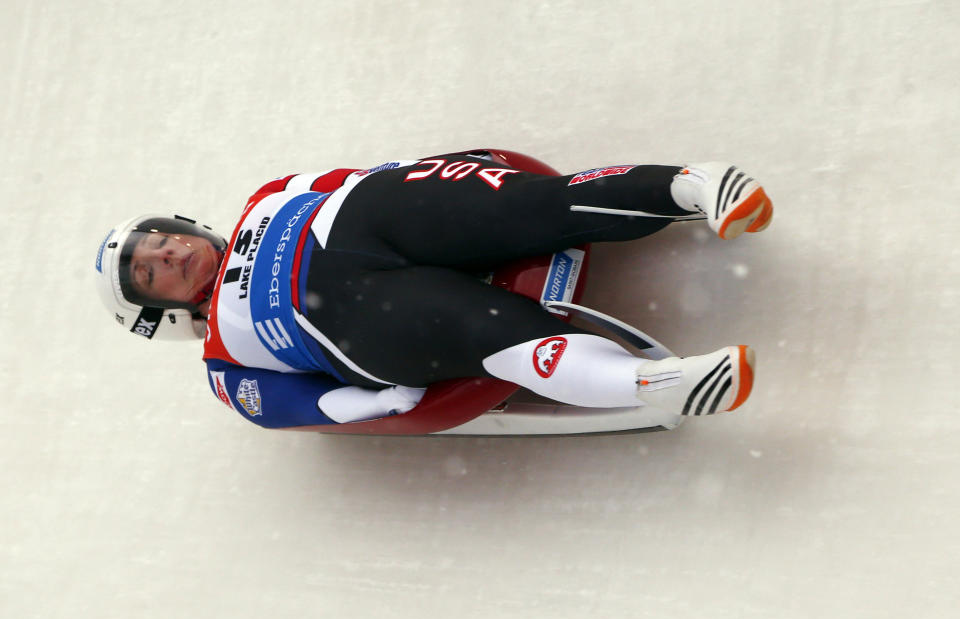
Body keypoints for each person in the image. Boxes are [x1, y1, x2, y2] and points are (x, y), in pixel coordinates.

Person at [94, 150, 773, 428]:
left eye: (159, 238)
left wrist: (431, 172)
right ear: (159, 310)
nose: (171, 252)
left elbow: (356, 175)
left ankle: (694, 186)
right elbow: (304, 407)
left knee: (528, 208)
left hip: (368, 216)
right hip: (346, 318)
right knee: (487, 332)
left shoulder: (267, 196)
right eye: (151, 271)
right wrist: (385, 400)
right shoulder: (223, 363)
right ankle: (662, 385)